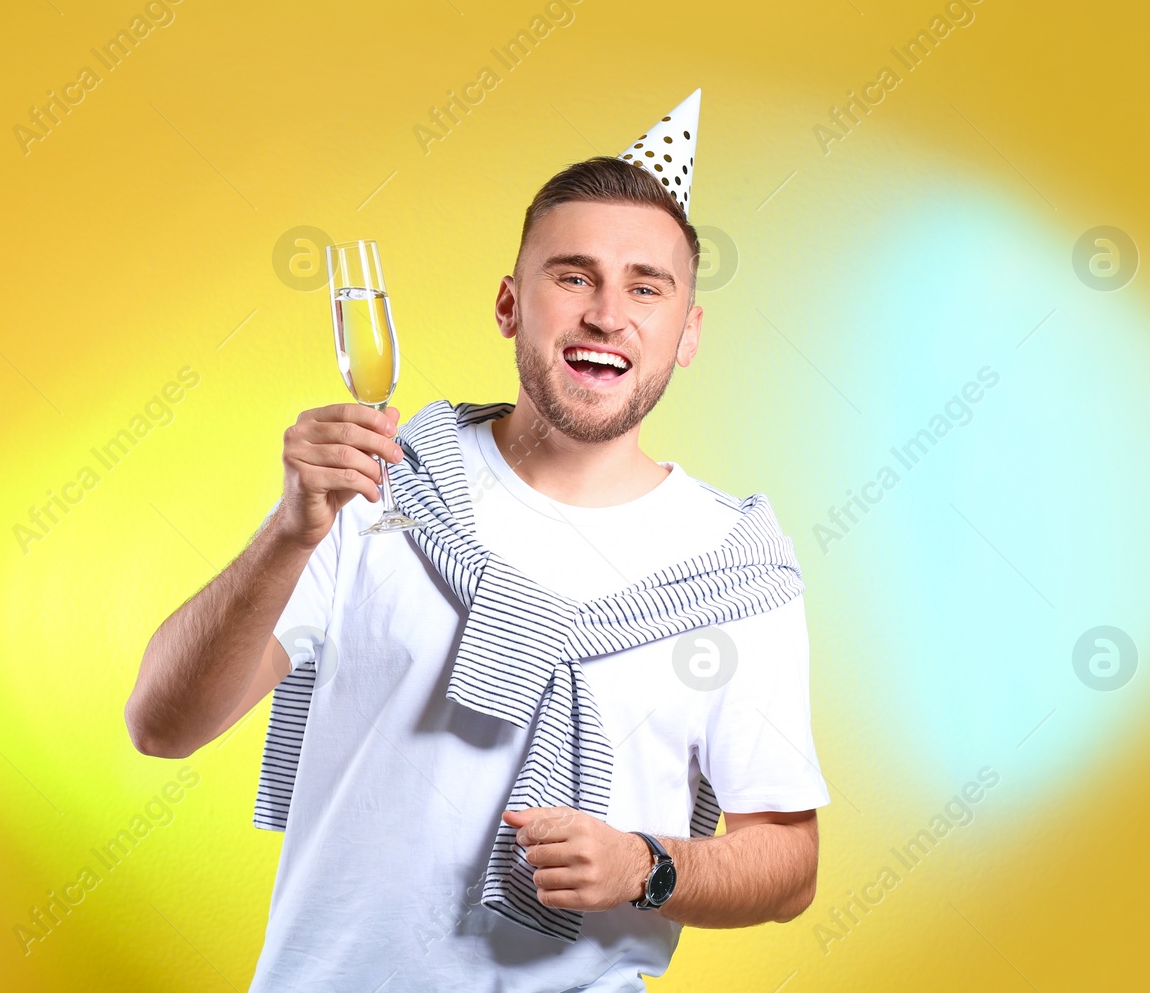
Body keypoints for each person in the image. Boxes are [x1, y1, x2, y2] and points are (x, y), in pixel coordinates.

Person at [125, 95, 828, 991]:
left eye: (646, 287)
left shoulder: (733, 570)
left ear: (686, 334)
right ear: (508, 303)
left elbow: (787, 861)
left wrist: (647, 866)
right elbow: (161, 723)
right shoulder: (382, 484)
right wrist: (289, 533)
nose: (608, 315)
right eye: (572, 277)